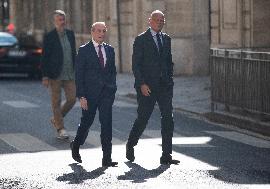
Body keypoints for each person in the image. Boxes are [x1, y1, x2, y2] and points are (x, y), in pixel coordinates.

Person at [126, 10, 180, 165]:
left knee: (168, 119)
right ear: (149, 21)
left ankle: (166, 156)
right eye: (156, 20)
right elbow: (136, 65)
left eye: (162, 20)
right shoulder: (141, 39)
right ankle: (131, 144)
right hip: (147, 87)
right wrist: (142, 84)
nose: (159, 22)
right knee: (143, 118)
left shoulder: (166, 39)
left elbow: (169, 61)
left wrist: (170, 79)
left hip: (165, 86)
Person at [70, 22, 118, 167]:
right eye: (98, 31)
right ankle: (76, 145)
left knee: (107, 125)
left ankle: (107, 159)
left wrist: (112, 89)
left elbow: (112, 72)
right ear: (92, 32)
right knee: (86, 123)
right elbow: (79, 75)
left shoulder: (110, 50)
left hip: (106, 94)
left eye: (104, 31)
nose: (101, 34)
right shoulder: (84, 50)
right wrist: (81, 96)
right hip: (89, 95)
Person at [41, 10, 76, 139]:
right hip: (54, 74)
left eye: (63, 19)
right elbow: (44, 57)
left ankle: (56, 118)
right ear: (55, 21)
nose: (62, 22)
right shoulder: (49, 36)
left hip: (69, 73)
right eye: (60, 20)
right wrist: (45, 76)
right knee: (56, 102)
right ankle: (61, 129)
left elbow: (73, 53)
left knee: (72, 99)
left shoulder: (71, 35)